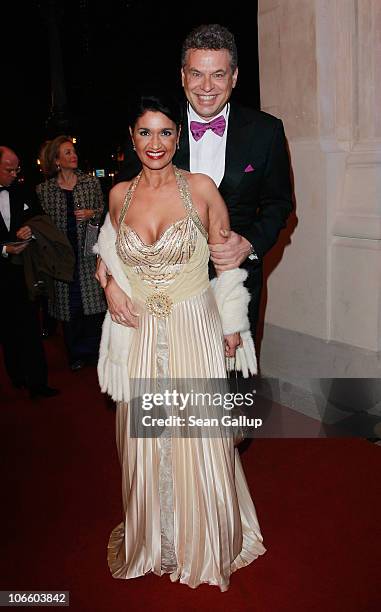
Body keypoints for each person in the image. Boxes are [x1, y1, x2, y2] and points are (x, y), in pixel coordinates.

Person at [96, 92, 265, 591]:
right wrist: (109, 287)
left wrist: (232, 324)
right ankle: (158, 537)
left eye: (166, 132)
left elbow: (227, 261)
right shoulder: (118, 195)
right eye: (145, 132)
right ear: (131, 138)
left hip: (193, 325)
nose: (156, 143)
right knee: (146, 435)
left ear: (179, 137)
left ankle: (204, 539)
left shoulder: (201, 188)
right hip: (141, 330)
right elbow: (107, 252)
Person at [107, 23, 293, 340]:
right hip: (162, 289)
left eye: (218, 74)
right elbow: (119, 205)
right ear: (182, 76)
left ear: (234, 76)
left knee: (232, 380)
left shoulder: (266, 132)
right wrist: (109, 273)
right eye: (196, 74)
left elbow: (279, 204)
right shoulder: (155, 126)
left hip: (234, 284)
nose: (206, 86)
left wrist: (249, 244)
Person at [36, 136, 106, 371]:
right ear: (56, 160)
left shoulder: (90, 183)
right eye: (67, 152)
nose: (73, 155)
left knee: (93, 306)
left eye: (73, 151)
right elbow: (40, 224)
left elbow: (104, 213)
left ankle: (96, 353)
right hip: (61, 257)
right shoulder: (44, 190)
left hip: (89, 253)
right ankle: (75, 353)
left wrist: (91, 214)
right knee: (69, 306)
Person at [0, 146, 58, 399]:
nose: (14, 174)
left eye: (17, 169)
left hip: (23, 272)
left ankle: (38, 382)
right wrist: (3, 248)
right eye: (8, 169)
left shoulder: (23, 190)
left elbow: (39, 219)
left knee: (29, 327)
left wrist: (30, 231)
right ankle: (16, 375)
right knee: (7, 330)